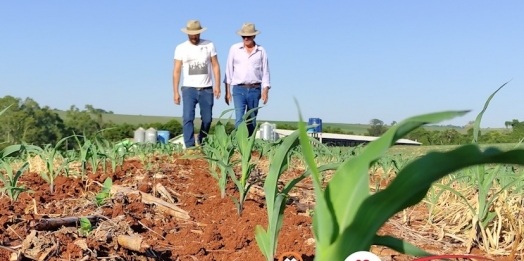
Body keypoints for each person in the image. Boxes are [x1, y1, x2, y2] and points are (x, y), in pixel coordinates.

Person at [172, 20, 221, 149]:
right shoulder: (180, 48)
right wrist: (175, 91)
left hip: (207, 88)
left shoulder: (209, 45)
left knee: (208, 119)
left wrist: (217, 86)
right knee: (188, 117)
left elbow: (215, 65)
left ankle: (202, 140)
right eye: (191, 34)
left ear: (200, 32)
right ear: (187, 33)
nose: (194, 36)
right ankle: (189, 146)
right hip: (189, 88)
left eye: (196, 34)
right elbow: (176, 70)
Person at [223, 22, 271, 137]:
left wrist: (265, 91)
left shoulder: (261, 51)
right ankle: (240, 142)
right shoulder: (234, 49)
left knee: (252, 119)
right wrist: (227, 91)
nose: (246, 38)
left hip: (255, 89)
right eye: (243, 36)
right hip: (239, 89)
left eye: (248, 36)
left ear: (254, 36)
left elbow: (266, 71)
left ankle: (249, 144)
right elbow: (228, 70)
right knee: (239, 116)